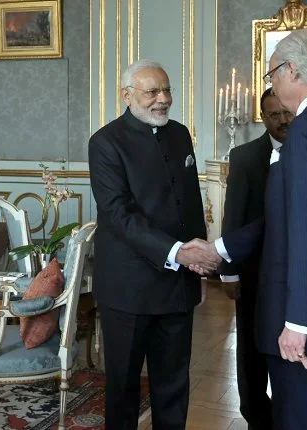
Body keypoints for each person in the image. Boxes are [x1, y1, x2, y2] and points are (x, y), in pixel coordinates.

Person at [185, 30, 307, 429]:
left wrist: (297, 324)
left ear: (291, 70)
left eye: (272, 75)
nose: (272, 84)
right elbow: (301, 216)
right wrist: (222, 249)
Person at [88, 59, 221, 429]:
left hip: (178, 284)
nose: (163, 99)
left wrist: (199, 270)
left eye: (167, 90)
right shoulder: (105, 142)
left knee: (174, 384)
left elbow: (191, 207)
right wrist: (178, 253)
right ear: (127, 95)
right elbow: (118, 214)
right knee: (124, 387)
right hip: (127, 288)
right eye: (152, 92)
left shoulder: (180, 135)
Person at [220, 88, 293, 430]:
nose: (283, 120)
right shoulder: (246, 156)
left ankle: (289, 412)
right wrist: (229, 273)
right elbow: (233, 216)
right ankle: (255, 416)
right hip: (254, 272)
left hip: (299, 274)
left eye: (286, 112)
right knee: (250, 348)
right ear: (263, 118)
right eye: (274, 115)